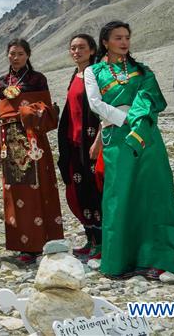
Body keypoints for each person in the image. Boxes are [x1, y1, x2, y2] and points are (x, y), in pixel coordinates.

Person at [85, 21, 174, 279]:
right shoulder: (93, 71)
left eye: (127, 37)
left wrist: (138, 121)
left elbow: (151, 99)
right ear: (105, 42)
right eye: (118, 37)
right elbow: (95, 103)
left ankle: (158, 258)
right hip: (117, 137)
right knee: (120, 195)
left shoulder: (143, 71)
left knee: (154, 193)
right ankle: (121, 260)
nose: (124, 42)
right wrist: (126, 118)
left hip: (147, 136)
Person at [0, 38, 64, 263]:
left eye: (20, 53)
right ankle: (24, 247)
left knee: (37, 188)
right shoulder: (1, 83)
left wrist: (28, 111)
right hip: (9, 141)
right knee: (16, 191)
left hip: (33, 142)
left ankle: (43, 240)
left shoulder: (37, 79)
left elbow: (47, 110)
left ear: (28, 55)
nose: (16, 57)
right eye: (12, 53)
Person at [57, 35, 103, 260]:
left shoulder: (97, 74)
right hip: (75, 143)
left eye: (82, 47)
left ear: (92, 50)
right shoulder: (74, 76)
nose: (76, 51)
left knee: (95, 190)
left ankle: (102, 243)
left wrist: (99, 139)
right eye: (73, 48)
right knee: (80, 190)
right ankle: (90, 239)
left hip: (91, 142)